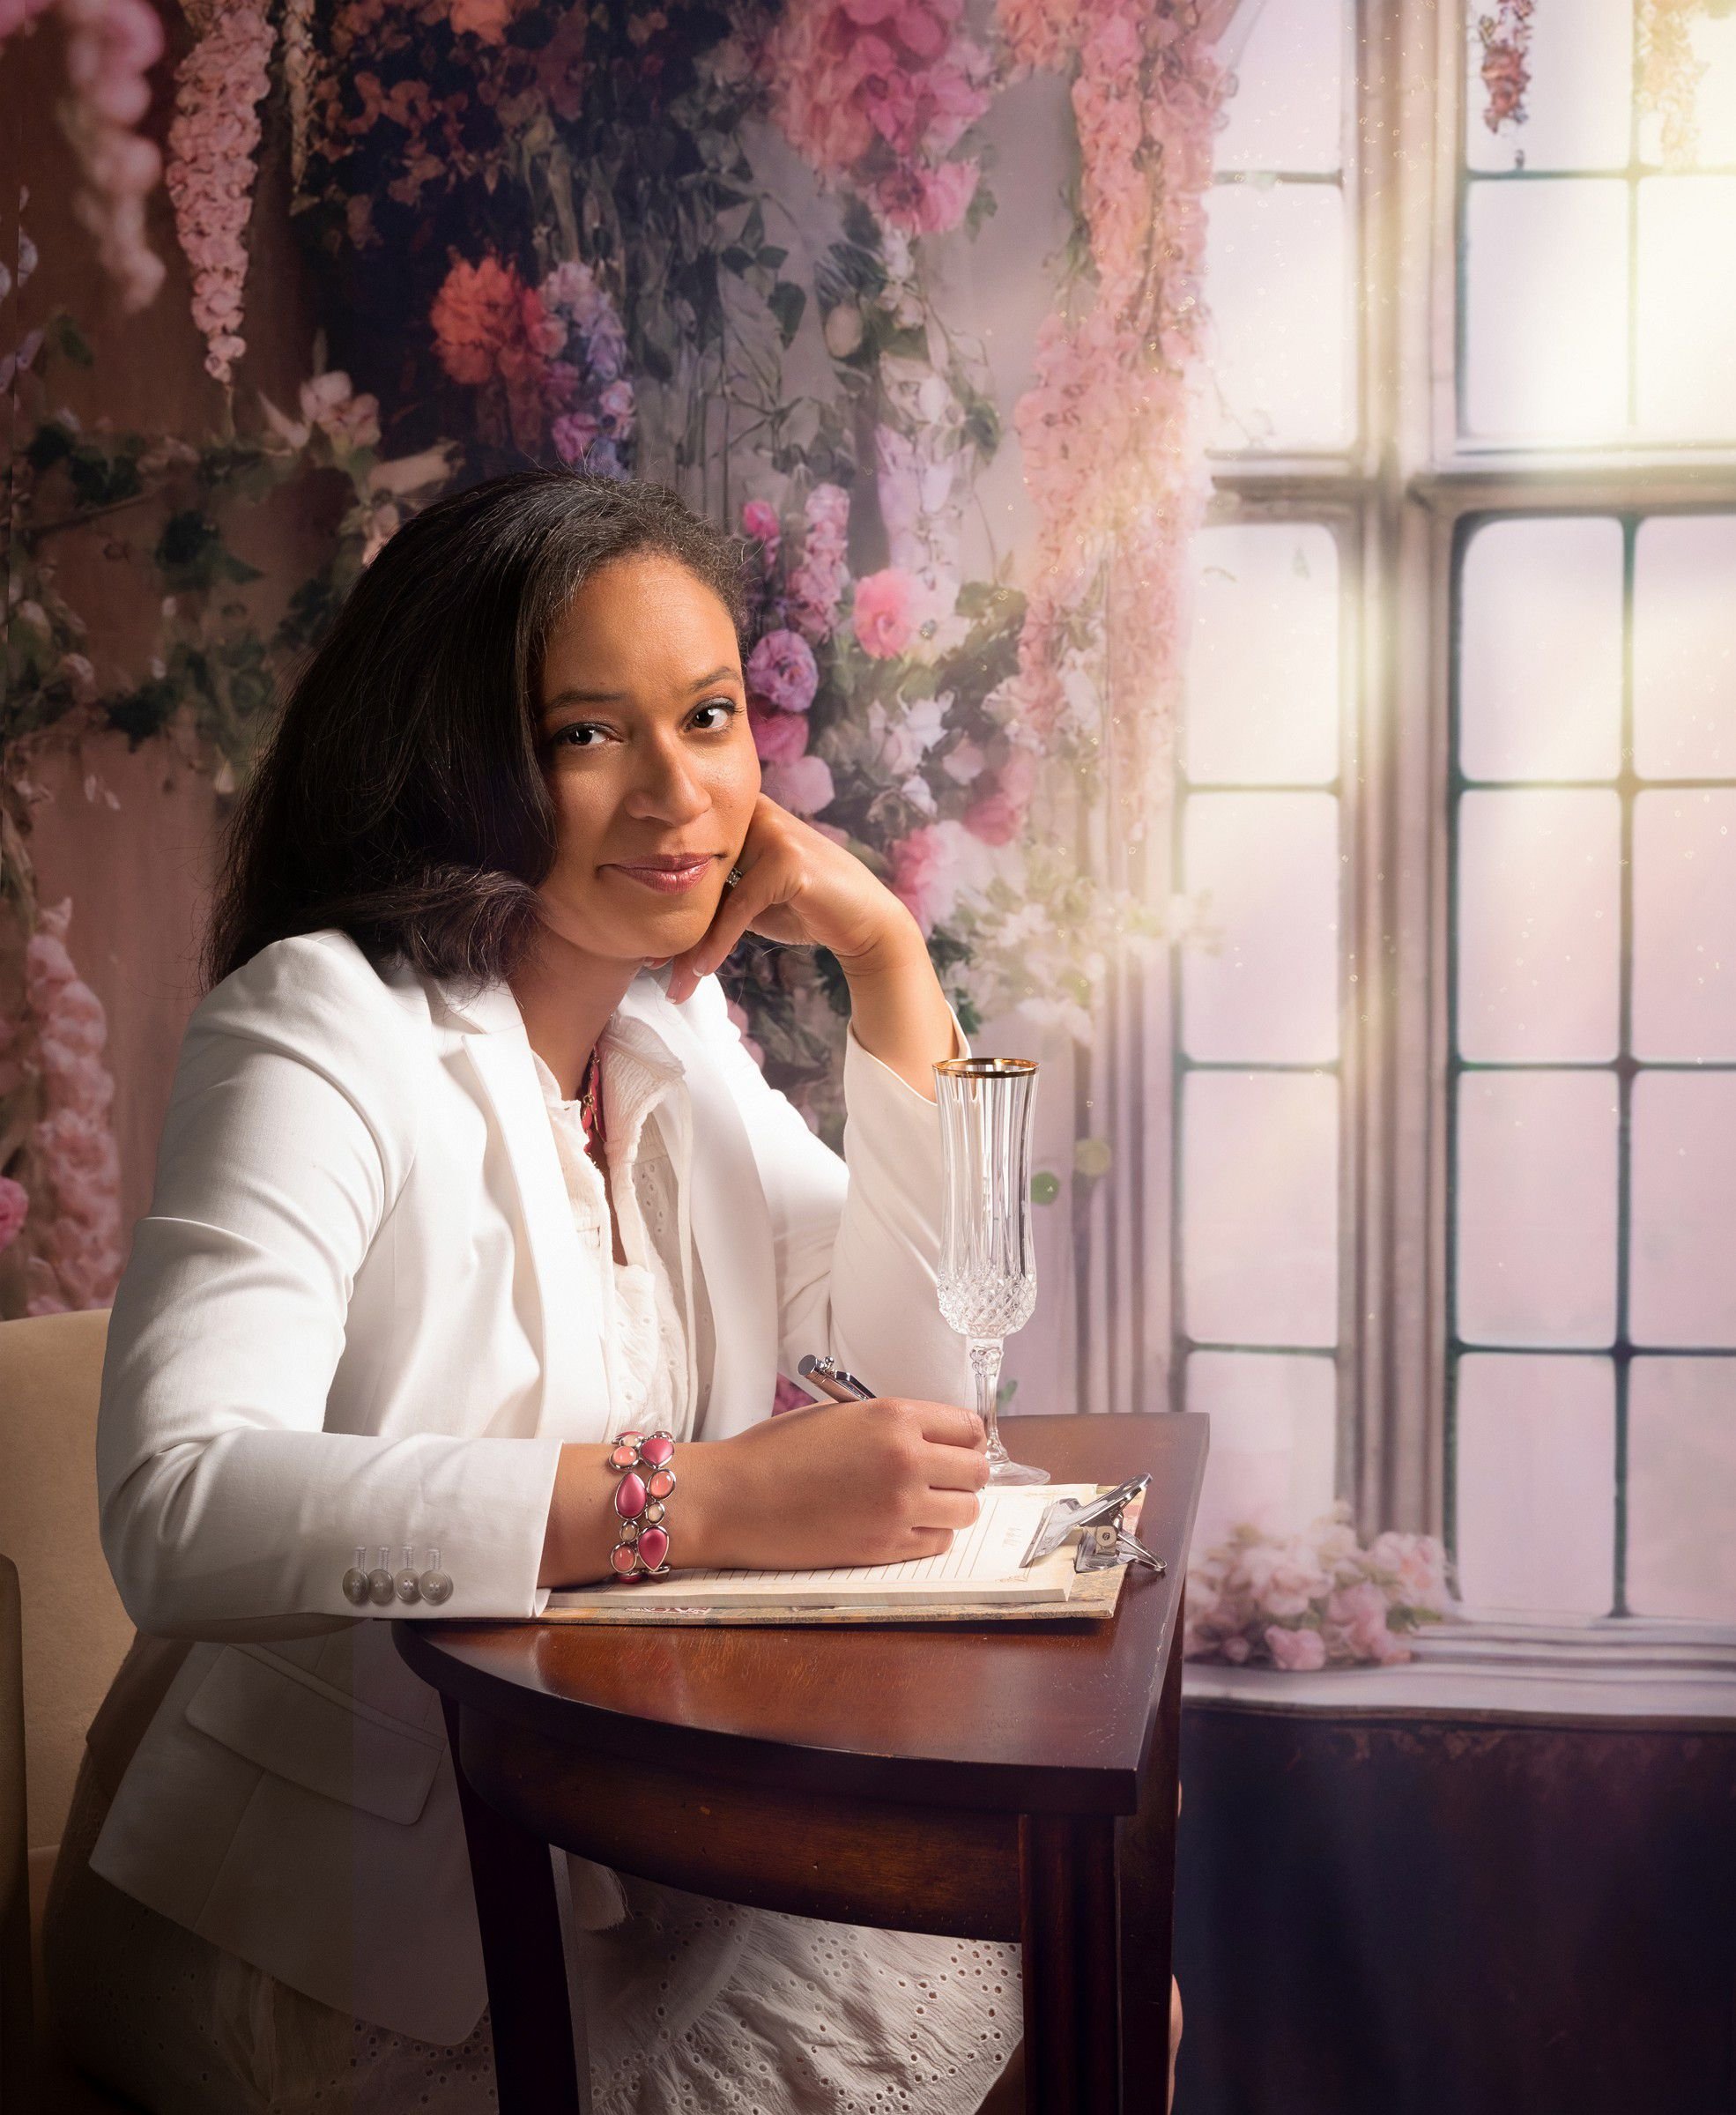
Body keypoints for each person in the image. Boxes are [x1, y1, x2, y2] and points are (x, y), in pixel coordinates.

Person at [41, 469, 1033, 2114]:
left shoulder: (672, 1028)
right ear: (453, 761)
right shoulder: (316, 1026)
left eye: (708, 717)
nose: (677, 794)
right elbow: (180, 1505)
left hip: (614, 1844)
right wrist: (692, 1500)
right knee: (1044, 1999)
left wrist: (885, 956)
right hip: (311, 1934)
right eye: (586, 734)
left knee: (1081, 1979)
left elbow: (921, 1373)